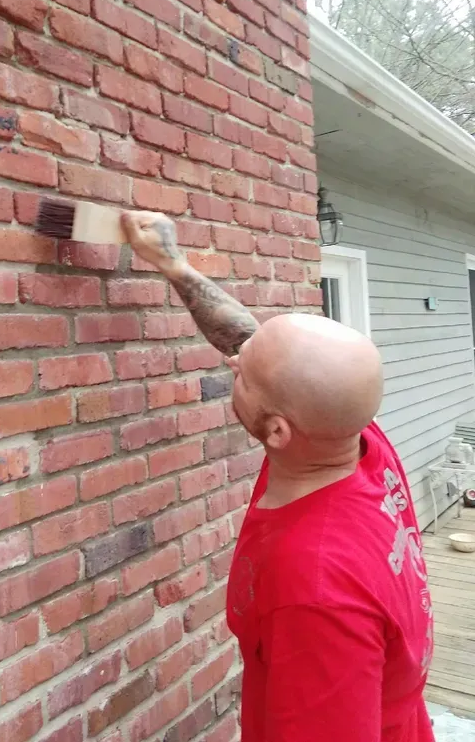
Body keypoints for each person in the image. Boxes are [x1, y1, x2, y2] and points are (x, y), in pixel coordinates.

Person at [121, 210, 435, 742]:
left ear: (278, 431)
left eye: (242, 375)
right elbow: (253, 345)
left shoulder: (313, 589)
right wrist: (174, 266)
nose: (231, 365)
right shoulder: (353, 439)